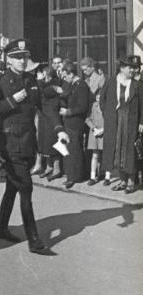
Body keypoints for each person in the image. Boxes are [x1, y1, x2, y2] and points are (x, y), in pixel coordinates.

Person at [0, 39, 68, 254]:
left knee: (13, 186)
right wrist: (13, 100)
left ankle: (2, 227)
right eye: (17, 57)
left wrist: (59, 129)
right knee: (26, 188)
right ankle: (34, 240)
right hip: (10, 142)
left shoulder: (31, 80)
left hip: (28, 142)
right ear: (8, 59)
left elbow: (45, 107)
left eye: (24, 57)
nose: (22, 61)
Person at [100, 55, 143, 194]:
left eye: (134, 68)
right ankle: (122, 180)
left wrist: (141, 122)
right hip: (115, 122)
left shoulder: (137, 85)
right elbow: (102, 100)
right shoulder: (111, 82)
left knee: (129, 151)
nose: (134, 70)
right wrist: (108, 115)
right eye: (131, 68)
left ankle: (131, 182)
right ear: (122, 68)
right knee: (116, 150)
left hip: (131, 123)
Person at [59, 62, 90, 189]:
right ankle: (71, 174)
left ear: (71, 74)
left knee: (74, 150)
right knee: (68, 149)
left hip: (76, 123)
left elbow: (82, 107)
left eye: (65, 76)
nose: (64, 78)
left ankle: (74, 176)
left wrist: (68, 112)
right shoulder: (73, 85)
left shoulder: (81, 86)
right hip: (69, 122)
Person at [85, 89, 104, 185]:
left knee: (103, 155)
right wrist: (93, 128)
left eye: (100, 97)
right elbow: (88, 119)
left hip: (103, 133)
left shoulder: (106, 106)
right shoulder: (93, 106)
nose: (98, 100)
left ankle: (100, 174)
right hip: (94, 133)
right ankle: (92, 176)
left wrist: (103, 129)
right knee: (95, 155)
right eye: (97, 97)